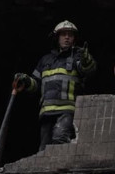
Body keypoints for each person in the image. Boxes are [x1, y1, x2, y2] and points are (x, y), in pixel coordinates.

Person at [13, 20, 96, 151]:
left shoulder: (77, 57)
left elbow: (88, 70)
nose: (67, 37)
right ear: (57, 37)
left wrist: (87, 60)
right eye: (63, 34)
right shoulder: (45, 60)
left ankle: (61, 170)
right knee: (44, 147)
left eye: (70, 35)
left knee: (60, 138)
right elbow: (35, 85)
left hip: (67, 110)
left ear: (74, 39)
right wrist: (26, 80)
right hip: (47, 111)